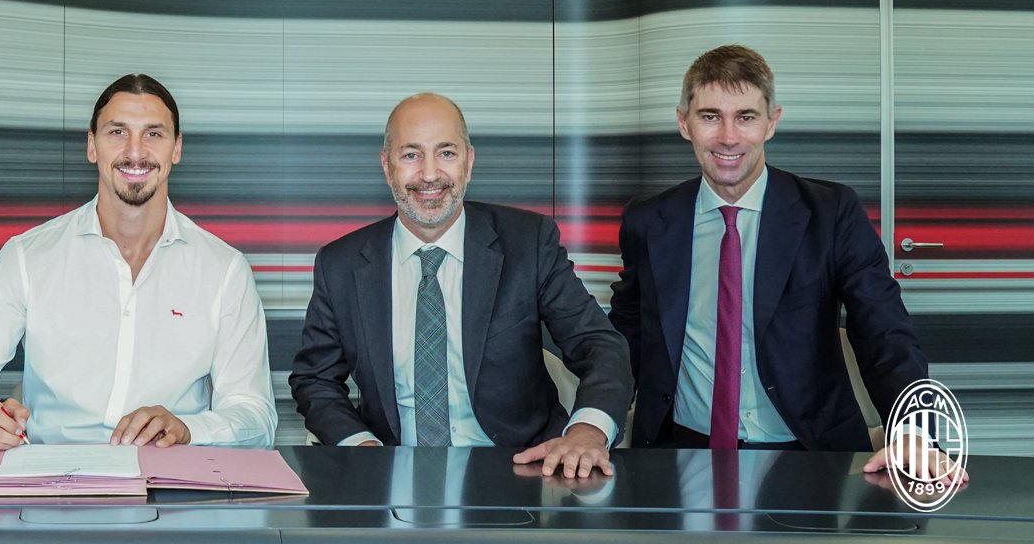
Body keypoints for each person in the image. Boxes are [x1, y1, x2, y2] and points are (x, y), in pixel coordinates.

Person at [610, 44, 938, 477]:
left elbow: (883, 329)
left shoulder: (830, 212)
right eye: (710, 116)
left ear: (772, 122)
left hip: (809, 453)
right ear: (684, 123)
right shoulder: (648, 221)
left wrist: (914, 431)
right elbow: (625, 336)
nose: (728, 137)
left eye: (746, 117)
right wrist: (593, 426)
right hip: (680, 452)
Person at [0, 73, 277, 457]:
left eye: (153, 134)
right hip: (49, 477)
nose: (135, 152)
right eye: (117, 132)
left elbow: (255, 416)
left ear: (176, 148)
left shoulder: (224, 270)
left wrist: (188, 429)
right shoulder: (27, 256)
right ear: (92, 146)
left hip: (171, 479)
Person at [290, 93, 633, 478]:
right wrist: (363, 448)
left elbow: (600, 345)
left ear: (469, 162)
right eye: (411, 154)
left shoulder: (528, 243)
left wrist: (587, 431)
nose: (430, 174)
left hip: (521, 469)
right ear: (387, 166)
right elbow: (315, 380)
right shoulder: (341, 264)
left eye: (446, 153)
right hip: (390, 473)